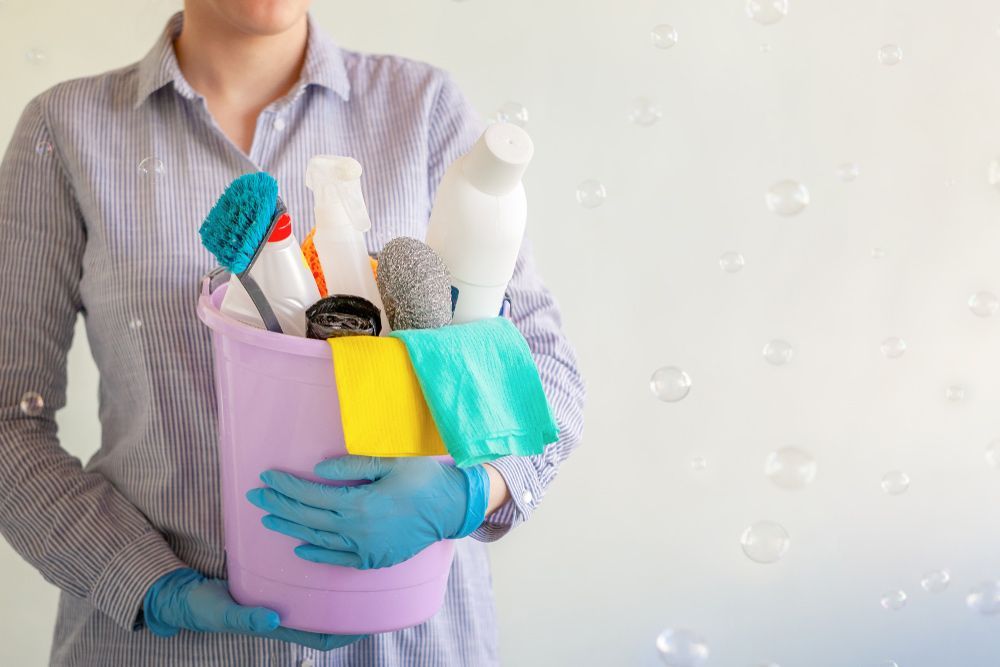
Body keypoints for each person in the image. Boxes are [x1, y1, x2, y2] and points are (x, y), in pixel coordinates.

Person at [0, 1, 585, 664]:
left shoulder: (424, 107)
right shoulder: (67, 127)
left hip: (411, 637)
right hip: (165, 648)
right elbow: (7, 419)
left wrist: (471, 491)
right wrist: (153, 585)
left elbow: (540, 363)